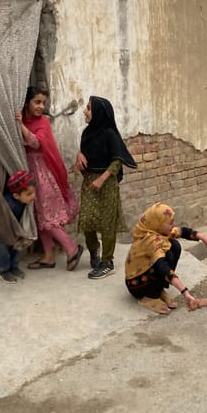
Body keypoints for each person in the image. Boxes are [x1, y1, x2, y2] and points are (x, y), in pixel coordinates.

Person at [16, 86, 83, 271]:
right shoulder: (27, 121)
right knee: (39, 216)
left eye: (43, 103)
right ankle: (48, 256)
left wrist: (20, 125)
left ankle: (72, 249)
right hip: (31, 173)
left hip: (43, 174)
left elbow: (36, 142)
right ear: (27, 103)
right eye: (37, 102)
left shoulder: (42, 122)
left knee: (47, 217)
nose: (40, 106)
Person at [75, 96, 137, 280]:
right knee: (87, 220)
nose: (84, 111)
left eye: (88, 108)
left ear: (99, 113)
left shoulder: (110, 134)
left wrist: (102, 179)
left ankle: (107, 262)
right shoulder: (87, 133)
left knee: (107, 223)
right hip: (89, 182)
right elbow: (85, 153)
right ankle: (94, 251)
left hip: (107, 182)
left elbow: (118, 160)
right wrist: (79, 155)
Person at [124, 202, 207, 314]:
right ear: (158, 224)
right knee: (166, 257)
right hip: (137, 284)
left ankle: (158, 290)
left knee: (174, 246)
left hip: (147, 274)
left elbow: (182, 231)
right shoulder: (150, 241)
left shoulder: (157, 230)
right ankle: (148, 298)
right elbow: (163, 268)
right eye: (170, 223)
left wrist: (203, 237)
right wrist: (185, 292)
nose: (173, 224)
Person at [0, 170, 37, 284]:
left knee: (17, 247)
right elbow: (4, 222)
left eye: (33, 193)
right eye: (29, 194)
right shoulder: (9, 204)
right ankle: (4, 271)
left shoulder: (23, 203)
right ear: (16, 195)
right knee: (1, 250)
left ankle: (14, 267)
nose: (33, 197)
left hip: (12, 227)